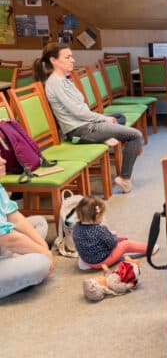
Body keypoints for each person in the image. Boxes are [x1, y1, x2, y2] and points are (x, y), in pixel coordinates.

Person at [34, 42, 143, 193]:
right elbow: (79, 112)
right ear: (54, 60)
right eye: (67, 57)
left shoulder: (64, 80)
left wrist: (103, 118)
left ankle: (104, 136)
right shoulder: (56, 83)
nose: (72, 60)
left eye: (71, 56)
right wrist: (103, 119)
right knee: (135, 135)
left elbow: (81, 109)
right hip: (80, 130)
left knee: (119, 117)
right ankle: (124, 179)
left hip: (86, 124)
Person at [0, 157, 53, 299]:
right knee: (40, 263)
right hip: (5, 241)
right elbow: (9, 239)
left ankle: (18, 265)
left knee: (38, 223)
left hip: (3, 246)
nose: (3, 161)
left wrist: (45, 249)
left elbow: (14, 217)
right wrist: (45, 255)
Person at [72, 195, 153, 269]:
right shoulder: (100, 229)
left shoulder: (76, 227)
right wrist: (113, 236)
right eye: (102, 215)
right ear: (97, 216)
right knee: (126, 244)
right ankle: (150, 248)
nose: (102, 217)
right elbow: (113, 244)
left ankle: (86, 264)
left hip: (86, 260)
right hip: (102, 262)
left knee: (91, 244)